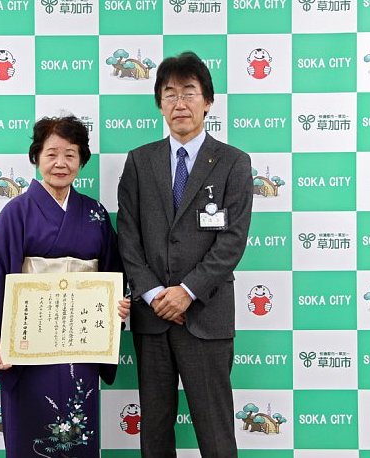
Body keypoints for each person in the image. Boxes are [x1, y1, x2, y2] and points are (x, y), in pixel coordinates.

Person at [0, 115, 130, 457]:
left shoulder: (94, 214)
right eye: (51, 153)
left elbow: (114, 273)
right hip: (29, 341)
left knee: (78, 425)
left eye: (70, 154)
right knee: (32, 428)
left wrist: (120, 304)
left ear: (82, 160)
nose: (60, 163)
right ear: (36, 157)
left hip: (80, 341)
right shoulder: (17, 212)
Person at [117, 51, 253, 457]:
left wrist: (187, 292)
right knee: (155, 435)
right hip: (152, 318)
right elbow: (128, 235)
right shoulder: (140, 162)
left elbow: (231, 241)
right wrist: (155, 293)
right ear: (159, 102)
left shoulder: (233, 163)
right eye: (170, 93)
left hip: (206, 317)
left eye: (189, 92)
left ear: (207, 100)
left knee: (215, 433)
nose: (180, 103)